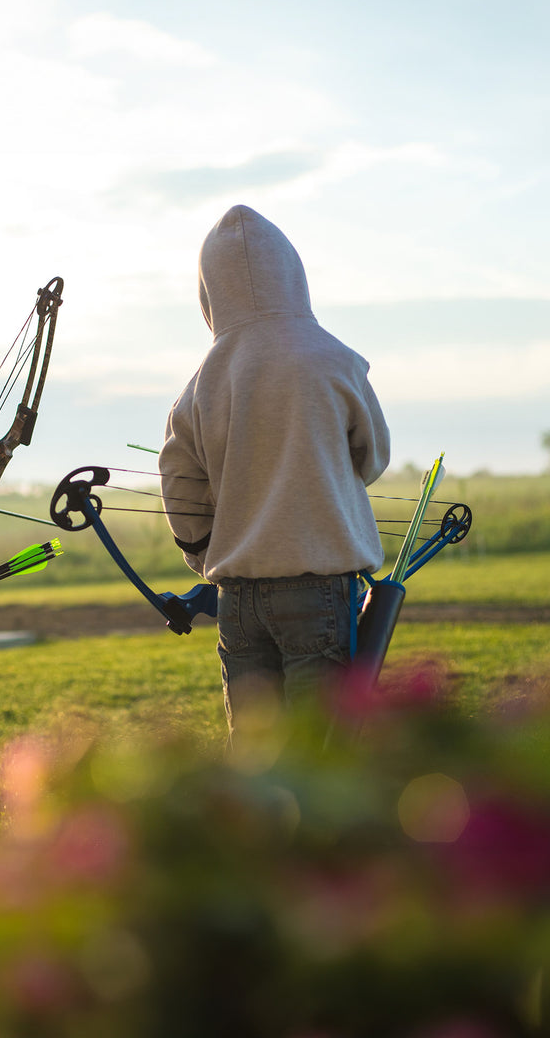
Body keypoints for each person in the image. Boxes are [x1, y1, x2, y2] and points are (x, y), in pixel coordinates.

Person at [159, 205, 390, 741]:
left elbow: (179, 480)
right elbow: (372, 457)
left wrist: (204, 551)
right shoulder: (334, 359)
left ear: (209, 294)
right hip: (318, 592)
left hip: (237, 597)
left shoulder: (202, 383)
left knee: (258, 759)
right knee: (322, 752)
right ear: (293, 276)